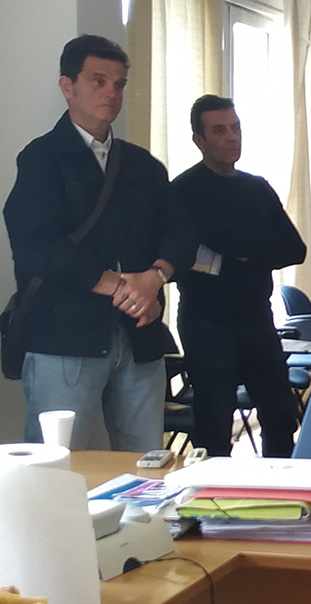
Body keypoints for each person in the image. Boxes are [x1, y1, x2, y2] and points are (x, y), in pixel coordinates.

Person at [3, 34, 194, 452]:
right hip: (64, 338)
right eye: (98, 81)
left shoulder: (142, 164)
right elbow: (37, 244)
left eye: (119, 84)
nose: (111, 93)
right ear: (67, 86)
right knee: (56, 462)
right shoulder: (40, 159)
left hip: (139, 336)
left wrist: (155, 277)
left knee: (144, 461)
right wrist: (118, 285)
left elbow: (181, 233)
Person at [172, 94, 306, 458]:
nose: (232, 137)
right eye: (219, 130)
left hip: (257, 317)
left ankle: (278, 483)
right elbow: (220, 240)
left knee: (280, 413)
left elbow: (295, 249)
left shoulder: (256, 187)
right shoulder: (184, 190)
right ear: (199, 140)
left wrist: (244, 250)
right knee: (215, 421)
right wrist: (257, 247)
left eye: (235, 127)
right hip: (207, 321)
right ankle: (216, 489)